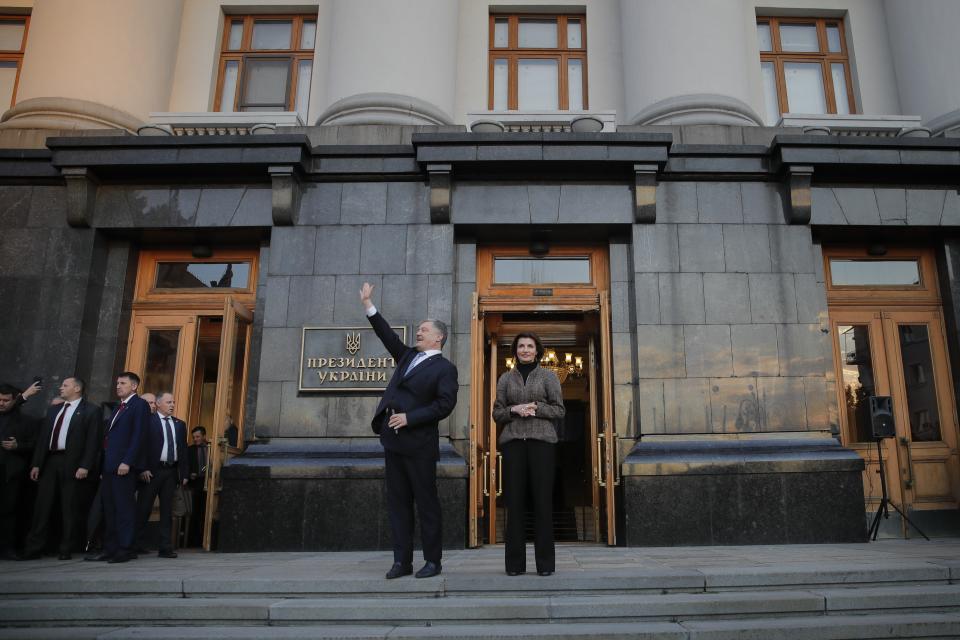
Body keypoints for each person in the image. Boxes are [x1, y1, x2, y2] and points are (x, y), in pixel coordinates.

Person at [359, 282, 458, 580]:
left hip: (420, 445)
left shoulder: (445, 369)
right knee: (398, 505)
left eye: (425, 330)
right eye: (419, 329)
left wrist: (410, 418)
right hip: (394, 443)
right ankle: (401, 562)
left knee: (426, 504)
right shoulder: (406, 356)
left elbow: (444, 405)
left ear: (438, 338)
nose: (419, 332)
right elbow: (386, 334)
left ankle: (432, 561)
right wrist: (368, 304)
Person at [492, 332, 565, 577]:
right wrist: (514, 409)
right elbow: (497, 413)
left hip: (541, 444)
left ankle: (545, 565)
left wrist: (534, 408)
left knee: (542, 503)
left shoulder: (549, 376)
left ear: (537, 350)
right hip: (513, 444)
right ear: (515, 351)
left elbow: (559, 410)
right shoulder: (505, 378)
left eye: (529, 346)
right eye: (521, 346)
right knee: (514, 504)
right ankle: (514, 566)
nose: (525, 350)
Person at [21, 377, 100, 560]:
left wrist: (85, 465)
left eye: (65, 385)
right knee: (42, 506)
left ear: (77, 388)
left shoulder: (90, 411)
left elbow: (93, 442)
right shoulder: (54, 410)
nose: (61, 388)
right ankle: (34, 547)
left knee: (69, 507)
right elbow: (43, 439)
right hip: (50, 461)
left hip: (73, 463)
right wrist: (37, 464)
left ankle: (66, 548)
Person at [87, 372, 149, 563]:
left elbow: (138, 435)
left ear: (134, 386)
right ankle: (110, 548)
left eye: (123, 383)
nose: (118, 386)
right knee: (110, 508)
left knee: (124, 509)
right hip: (109, 466)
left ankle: (125, 548)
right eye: (117, 383)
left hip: (123, 466)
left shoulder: (139, 405)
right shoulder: (118, 408)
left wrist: (127, 461)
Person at [134, 392, 188, 558]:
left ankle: (165, 547)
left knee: (167, 511)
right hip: (152, 471)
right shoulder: (148, 421)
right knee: (144, 509)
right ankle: (135, 544)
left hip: (171, 472)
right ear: (158, 404)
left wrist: (184, 473)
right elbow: (141, 446)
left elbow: (183, 450)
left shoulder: (179, 424)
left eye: (173, 402)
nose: (172, 405)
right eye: (168, 402)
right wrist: (142, 468)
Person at [0, 381, 40, 559]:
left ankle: (8, 548)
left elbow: (33, 445)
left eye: (6, 400)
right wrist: (25, 395)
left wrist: (18, 446)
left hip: (11, 473)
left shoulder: (26, 421)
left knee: (9, 511)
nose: (1, 403)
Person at [186, 426, 208, 546]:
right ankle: (193, 541)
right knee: (195, 513)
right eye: (194, 437)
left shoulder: (211, 449)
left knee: (206, 511)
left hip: (208, 482)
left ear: (204, 436)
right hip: (195, 484)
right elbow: (185, 465)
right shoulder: (190, 450)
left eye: (198, 436)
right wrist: (190, 474)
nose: (195, 439)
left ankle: (205, 539)